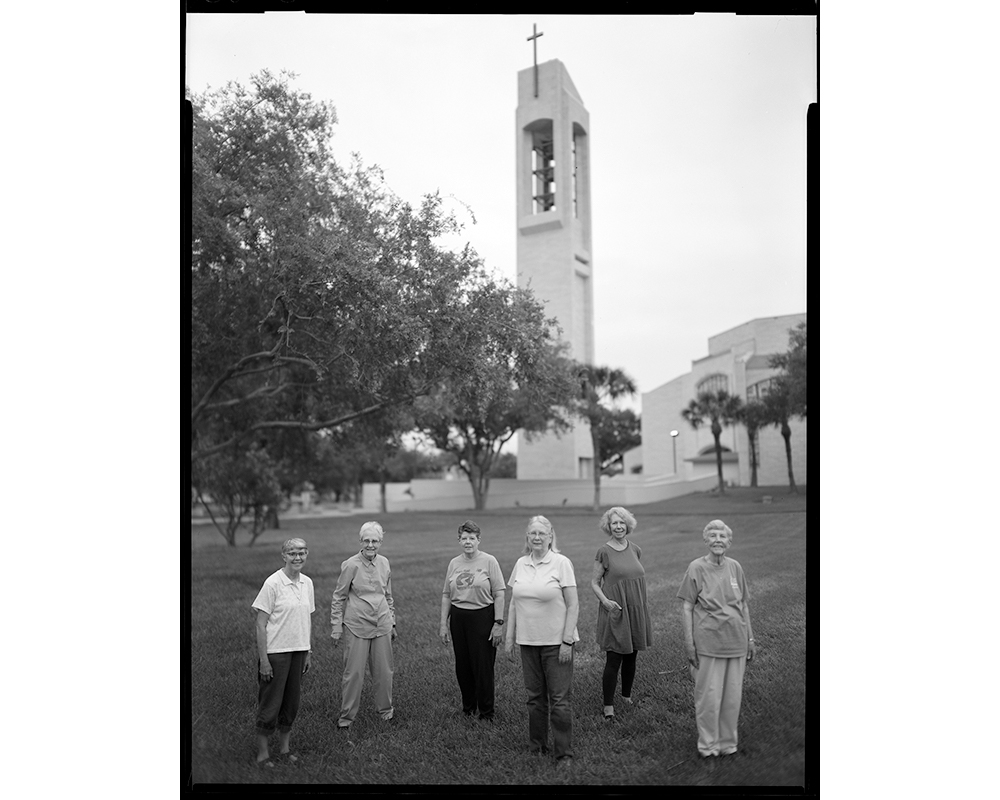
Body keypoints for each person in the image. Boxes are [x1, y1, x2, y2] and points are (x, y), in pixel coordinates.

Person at [677, 519, 757, 758]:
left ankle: (727, 743)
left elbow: (743, 605)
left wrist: (750, 639)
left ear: (729, 541)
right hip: (708, 642)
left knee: (732, 697)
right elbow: (687, 607)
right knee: (708, 697)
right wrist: (689, 643)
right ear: (706, 540)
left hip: (736, 641)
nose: (718, 540)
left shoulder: (735, 567)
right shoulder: (696, 568)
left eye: (722, 536)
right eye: (713, 536)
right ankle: (709, 745)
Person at [505, 516, 579, 767]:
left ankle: (564, 754)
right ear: (527, 537)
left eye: (541, 533)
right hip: (529, 642)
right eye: (532, 533)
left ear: (550, 536)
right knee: (535, 698)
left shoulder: (561, 563)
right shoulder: (520, 563)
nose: (537, 537)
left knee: (559, 699)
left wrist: (567, 640)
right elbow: (514, 603)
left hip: (557, 642)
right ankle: (537, 746)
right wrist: (509, 638)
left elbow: (573, 604)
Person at [251, 537, 315, 766]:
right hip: (276, 653)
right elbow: (260, 624)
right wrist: (264, 660)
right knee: (270, 703)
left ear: (306, 554)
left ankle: (285, 750)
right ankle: (262, 754)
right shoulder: (273, 583)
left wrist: (307, 651)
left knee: (291, 703)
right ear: (284, 556)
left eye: (301, 553)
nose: (297, 558)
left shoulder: (307, 583)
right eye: (292, 553)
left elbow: (306, 619)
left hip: (299, 651)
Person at [330, 521, 396, 729]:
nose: (370, 545)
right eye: (366, 540)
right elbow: (339, 596)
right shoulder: (350, 565)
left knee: (384, 672)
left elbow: (388, 595)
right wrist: (336, 626)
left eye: (374, 541)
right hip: (356, 625)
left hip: (382, 624)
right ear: (360, 541)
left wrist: (392, 622)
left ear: (381, 542)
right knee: (354, 674)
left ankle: (386, 713)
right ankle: (346, 718)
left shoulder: (385, 563)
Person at [439, 520, 506, 721]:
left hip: (482, 617)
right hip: (459, 618)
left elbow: (500, 594)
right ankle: (468, 708)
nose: (468, 542)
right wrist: (443, 623)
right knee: (463, 666)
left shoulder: (489, 561)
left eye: (472, 538)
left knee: (483, 666)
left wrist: (498, 623)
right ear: (459, 540)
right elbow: (446, 595)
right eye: (464, 538)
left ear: (478, 540)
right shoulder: (454, 563)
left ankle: (487, 712)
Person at [590, 506, 652, 721]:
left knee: (632, 655)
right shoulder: (604, 552)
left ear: (628, 525)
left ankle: (626, 696)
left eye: (622, 522)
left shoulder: (635, 549)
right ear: (609, 526)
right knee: (614, 658)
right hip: (616, 609)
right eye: (614, 523)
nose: (618, 526)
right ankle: (608, 706)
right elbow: (595, 582)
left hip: (636, 609)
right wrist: (605, 602)